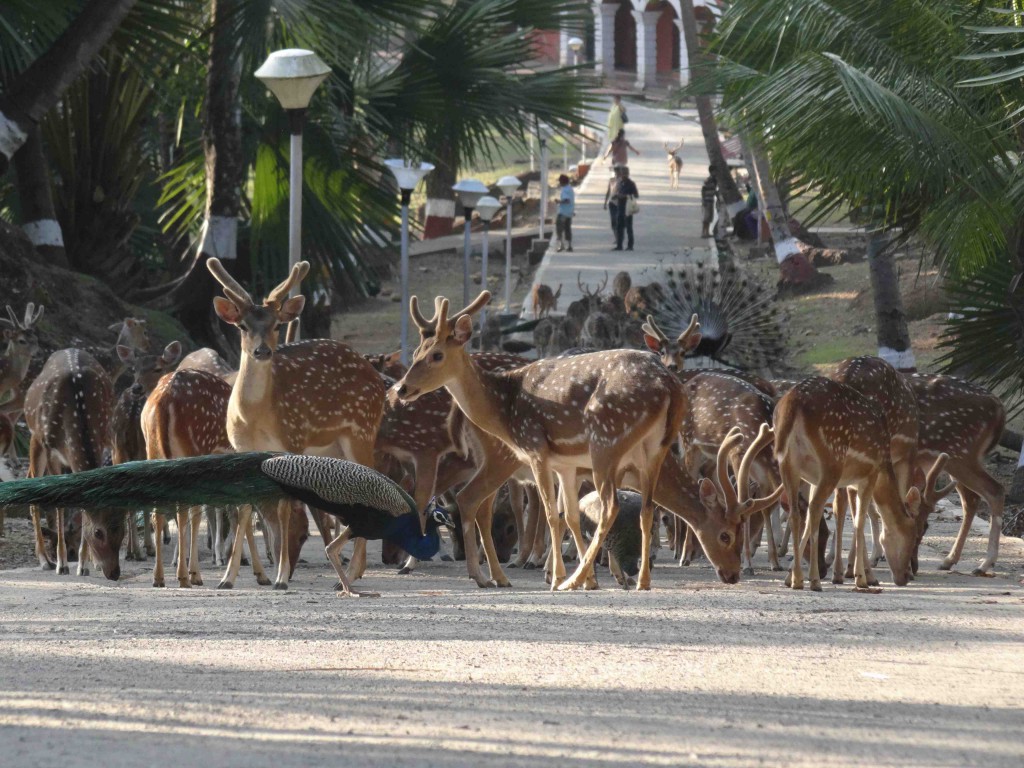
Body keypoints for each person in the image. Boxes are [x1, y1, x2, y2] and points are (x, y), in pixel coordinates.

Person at [612, 166, 639, 252]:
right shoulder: (619, 182)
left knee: (629, 227)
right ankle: (619, 245)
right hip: (620, 207)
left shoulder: (631, 184)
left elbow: (636, 195)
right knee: (619, 227)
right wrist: (616, 196)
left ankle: (630, 245)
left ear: (628, 174)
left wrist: (626, 196)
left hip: (628, 208)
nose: (623, 175)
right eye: (622, 173)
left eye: (625, 173)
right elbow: (616, 192)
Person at [554, 174, 575, 252]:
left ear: (562, 181)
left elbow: (567, 200)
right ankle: (569, 246)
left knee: (559, 229)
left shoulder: (565, 190)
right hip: (569, 212)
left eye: (560, 181)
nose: (559, 183)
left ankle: (561, 245)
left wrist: (559, 201)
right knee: (567, 229)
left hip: (563, 212)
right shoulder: (570, 189)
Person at [603, 166, 621, 242]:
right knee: (613, 221)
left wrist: (618, 196)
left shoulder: (622, 181)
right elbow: (608, 191)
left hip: (620, 203)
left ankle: (619, 237)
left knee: (619, 221)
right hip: (612, 203)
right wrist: (605, 202)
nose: (617, 173)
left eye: (618, 172)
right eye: (616, 172)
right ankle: (616, 237)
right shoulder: (611, 180)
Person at [701, 165, 718, 238]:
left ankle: (707, 232)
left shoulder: (715, 180)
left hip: (711, 200)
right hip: (707, 200)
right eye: (715, 171)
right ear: (711, 172)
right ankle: (703, 232)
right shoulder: (709, 180)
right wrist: (703, 200)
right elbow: (703, 190)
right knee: (706, 217)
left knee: (710, 217)